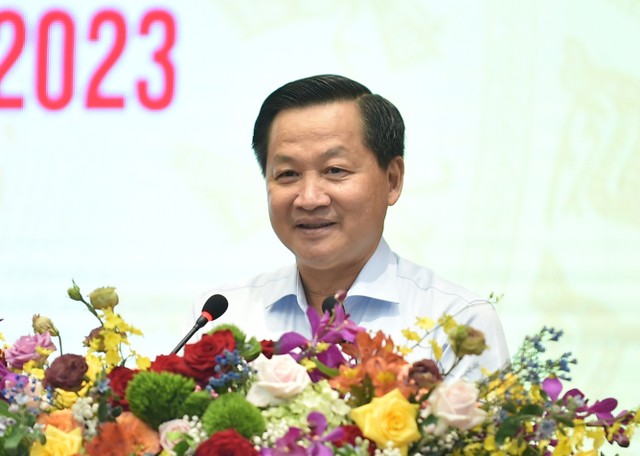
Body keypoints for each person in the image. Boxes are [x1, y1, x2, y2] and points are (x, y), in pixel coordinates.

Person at [196, 74, 509, 378]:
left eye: (335, 170)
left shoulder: (458, 323)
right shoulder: (219, 320)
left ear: (392, 180)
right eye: (288, 174)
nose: (309, 198)